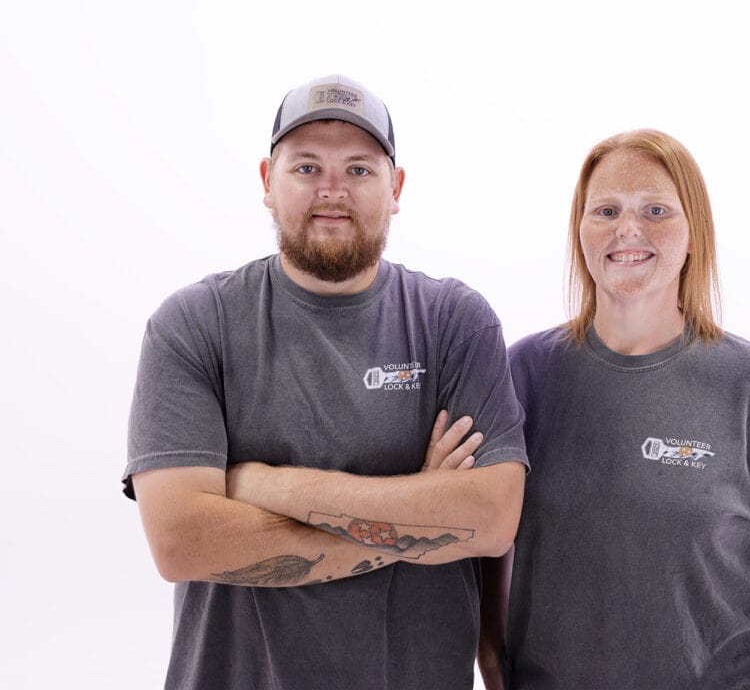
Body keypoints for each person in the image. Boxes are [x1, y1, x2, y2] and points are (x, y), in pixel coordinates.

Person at [123, 74, 528, 690]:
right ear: (267, 182)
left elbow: (492, 519)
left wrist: (261, 484)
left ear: (395, 188)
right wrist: (422, 518)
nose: (332, 190)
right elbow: (182, 542)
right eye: (307, 166)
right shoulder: (195, 324)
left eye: (360, 170)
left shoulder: (455, 323)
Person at [478, 129, 750, 689]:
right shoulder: (522, 376)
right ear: (580, 231)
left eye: (655, 209)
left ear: (693, 234)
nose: (627, 229)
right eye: (606, 210)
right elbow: (485, 544)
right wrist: (492, 661)